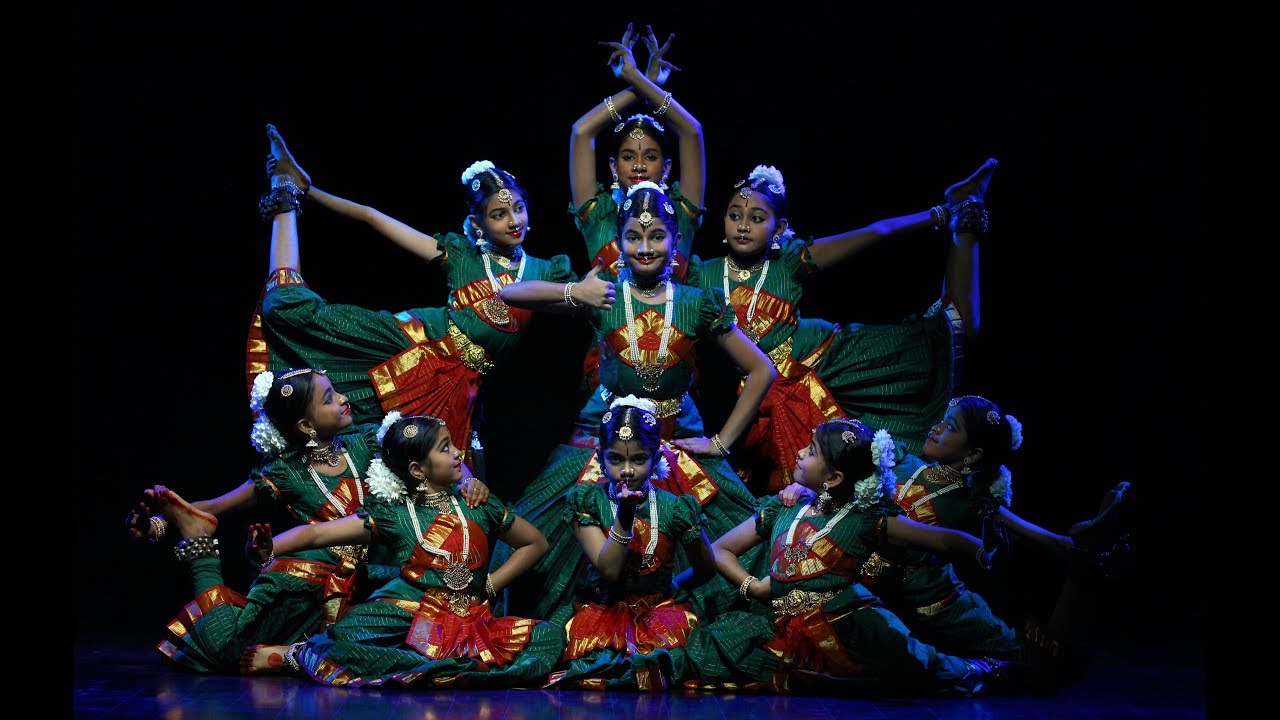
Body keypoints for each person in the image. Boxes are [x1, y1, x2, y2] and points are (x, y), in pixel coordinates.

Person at [494, 181, 778, 622]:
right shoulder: (603, 293)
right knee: (537, 529)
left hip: (676, 440)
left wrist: (721, 444)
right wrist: (575, 293)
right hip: (603, 441)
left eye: (657, 236)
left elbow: (762, 370)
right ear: (618, 242)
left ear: (676, 240)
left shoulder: (697, 302)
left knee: (751, 535)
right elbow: (509, 294)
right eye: (633, 237)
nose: (645, 248)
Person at [249, 125, 576, 465]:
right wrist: (309, 190)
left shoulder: (548, 270)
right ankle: (284, 191)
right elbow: (372, 217)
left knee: (417, 466)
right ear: (476, 223)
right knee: (289, 310)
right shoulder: (462, 255)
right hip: (413, 339)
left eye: (519, 209)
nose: (514, 221)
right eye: (499, 214)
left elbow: (575, 301)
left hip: (454, 384)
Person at [126, 368, 483, 674]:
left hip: (360, 581)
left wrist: (467, 481)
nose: (343, 399)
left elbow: (435, 448)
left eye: (336, 391)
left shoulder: (366, 444)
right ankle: (201, 553)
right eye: (329, 398)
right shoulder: (285, 471)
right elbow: (216, 506)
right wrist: (159, 525)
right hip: (302, 586)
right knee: (227, 650)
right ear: (306, 425)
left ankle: (295, 656)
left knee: (421, 633)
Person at [689, 159, 997, 493]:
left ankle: (966, 226)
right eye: (735, 216)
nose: (743, 225)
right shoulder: (698, 274)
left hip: (829, 361)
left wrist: (941, 213)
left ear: (779, 229)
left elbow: (876, 232)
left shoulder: (789, 260)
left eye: (757, 218)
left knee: (956, 329)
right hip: (756, 397)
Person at [685, 418, 1013, 696]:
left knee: (923, 668)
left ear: (834, 478)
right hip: (783, 627)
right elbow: (720, 549)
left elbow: (940, 538)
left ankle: (984, 671)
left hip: (849, 625)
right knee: (711, 651)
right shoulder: (783, 507)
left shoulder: (865, 518)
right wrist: (753, 587)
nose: (799, 453)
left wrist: (982, 551)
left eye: (811, 451)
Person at [235, 412, 565, 688]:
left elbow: (535, 542)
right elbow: (318, 534)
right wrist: (270, 548)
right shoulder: (394, 513)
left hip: (469, 620)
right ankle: (297, 656)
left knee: (550, 638)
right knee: (343, 640)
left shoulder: (477, 502)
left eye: (452, 445)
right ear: (417, 470)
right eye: (444, 448)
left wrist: (491, 584)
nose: (457, 454)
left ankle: (431, 667)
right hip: (406, 613)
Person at [545, 395, 718, 690]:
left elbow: (706, 568)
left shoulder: (676, 508)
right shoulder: (588, 501)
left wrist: (675, 586)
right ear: (600, 457)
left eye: (638, 459)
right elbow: (609, 571)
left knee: (665, 663)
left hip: (660, 618)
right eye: (616, 459)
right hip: (603, 615)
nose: (627, 470)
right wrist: (624, 516)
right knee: (599, 665)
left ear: (656, 457)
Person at [570, 23, 704, 283]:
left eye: (650, 157)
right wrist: (644, 83)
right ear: (612, 165)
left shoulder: (681, 212)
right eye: (628, 157)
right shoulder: (599, 215)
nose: (639, 166)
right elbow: (581, 133)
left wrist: (637, 79)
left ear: (666, 168)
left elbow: (692, 132)